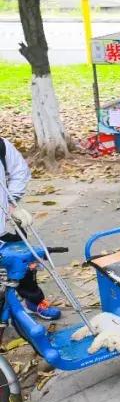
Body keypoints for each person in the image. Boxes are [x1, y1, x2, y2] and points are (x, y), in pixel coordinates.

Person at [1, 137, 60, 320]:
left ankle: (33, 301)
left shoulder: (1, 145)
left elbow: (20, 171)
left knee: (23, 261)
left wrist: (11, 203)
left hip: (1, 228)